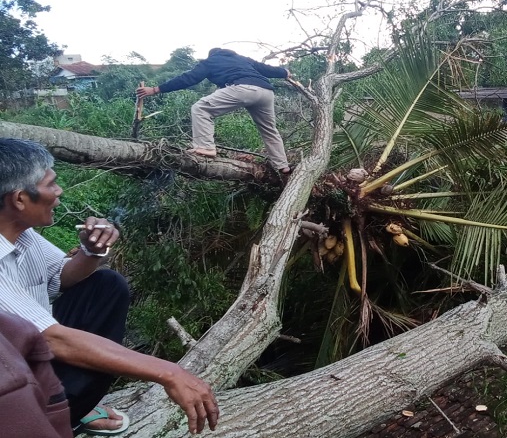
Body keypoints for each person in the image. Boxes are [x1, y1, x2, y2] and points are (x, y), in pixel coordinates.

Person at [0, 138, 219, 436]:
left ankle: (73, 408)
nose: (59, 191)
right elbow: (53, 340)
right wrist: (170, 372)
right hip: (11, 383)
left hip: (29, 358)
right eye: (51, 184)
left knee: (106, 284)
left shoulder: (21, 234)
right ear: (20, 200)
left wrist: (91, 251)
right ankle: (48, 417)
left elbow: (62, 277)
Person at [136, 48, 292, 175]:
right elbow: (266, 69)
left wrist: (156, 89)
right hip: (266, 92)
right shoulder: (243, 59)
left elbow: (189, 78)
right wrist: (284, 72)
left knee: (200, 108)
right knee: (269, 130)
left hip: (242, 88)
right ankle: (282, 165)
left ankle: (206, 147)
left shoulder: (210, 61)